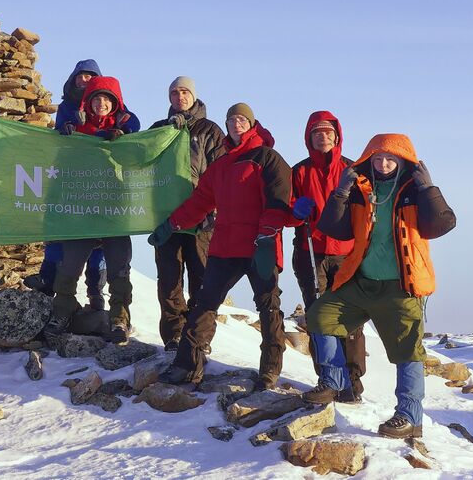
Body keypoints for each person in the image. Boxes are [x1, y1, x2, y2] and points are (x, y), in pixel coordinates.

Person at [302, 133, 456, 438]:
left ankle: (409, 417)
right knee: (321, 315)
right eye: (378, 158)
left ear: (403, 161)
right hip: (361, 282)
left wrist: (429, 188)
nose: (383, 164)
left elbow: (442, 224)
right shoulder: (362, 189)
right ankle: (334, 381)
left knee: (408, 351)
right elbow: (335, 229)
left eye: (390, 159)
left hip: (401, 287)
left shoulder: (413, 190)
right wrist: (341, 192)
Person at [149, 103, 292, 390]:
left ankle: (269, 370)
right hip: (225, 247)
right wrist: (172, 224)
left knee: (268, 307)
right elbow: (200, 202)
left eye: (241, 119)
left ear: (251, 124)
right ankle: (186, 365)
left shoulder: (267, 158)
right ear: (226, 126)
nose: (236, 124)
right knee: (205, 304)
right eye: (231, 120)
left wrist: (267, 235)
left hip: (260, 246)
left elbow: (280, 200)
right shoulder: (221, 166)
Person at [45, 76, 140, 344]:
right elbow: (61, 162)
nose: (101, 104)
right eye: (96, 99)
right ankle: (62, 311)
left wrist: (122, 134)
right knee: (70, 266)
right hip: (82, 210)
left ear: (115, 103)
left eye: (107, 99)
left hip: (114, 210)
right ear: (88, 101)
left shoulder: (125, 129)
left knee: (119, 268)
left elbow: (138, 145)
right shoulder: (76, 129)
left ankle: (119, 318)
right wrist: (67, 134)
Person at [290, 111, 366, 403]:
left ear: (337, 136)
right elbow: (286, 208)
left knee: (350, 318)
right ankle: (328, 379)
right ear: (309, 138)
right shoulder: (299, 171)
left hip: (347, 254)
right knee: (318, 316)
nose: (323, 137)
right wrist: (295, 210)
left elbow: (366, 209)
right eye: (317, 132)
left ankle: (352, 382)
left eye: (327, 132)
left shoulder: (352, 170)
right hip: (311, 251)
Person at [24, 59, 108, 309]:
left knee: (99, 235)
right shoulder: (67, 106)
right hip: (68, 176)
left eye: (89, 76)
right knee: (58, 226)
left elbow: (128, 123)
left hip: (98, 180)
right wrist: (67, 127)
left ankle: (96, 292)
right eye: (80, 76)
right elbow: (61, 129)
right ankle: (48, 280)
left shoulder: (108, 104)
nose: (83, 80)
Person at [149, 76, 225, 351]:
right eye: (174, 93)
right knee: (169, 279)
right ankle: (173, 336)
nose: (179, 97)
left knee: (202, 279)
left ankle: (198, 338)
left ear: (193, 96)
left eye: (184, 92)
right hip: (166, 217)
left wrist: (214, 207)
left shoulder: (210, 130)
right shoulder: (159, 129)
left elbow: (221, 170)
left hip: (202, 218)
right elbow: (140, 159)